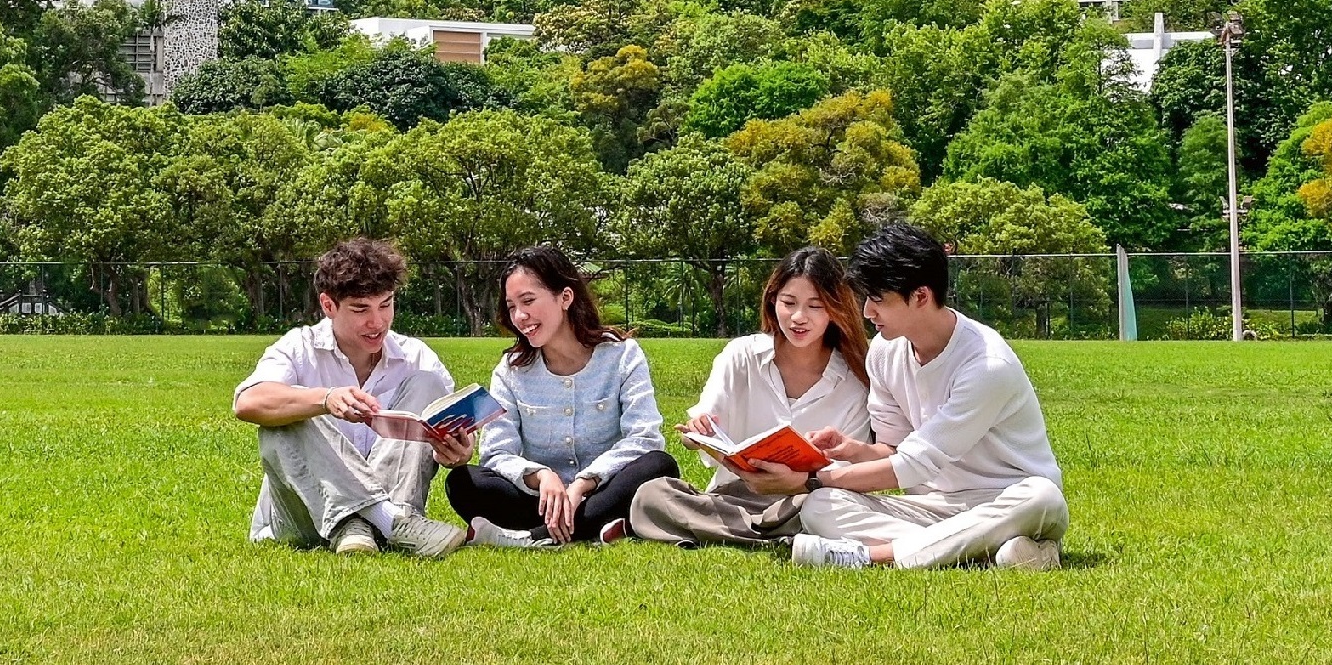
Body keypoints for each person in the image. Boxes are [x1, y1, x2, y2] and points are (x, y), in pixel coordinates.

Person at [765, 222, 1069, 571]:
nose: (867, 312)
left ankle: (872, 556)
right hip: (933, 508)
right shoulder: (883, 352)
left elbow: (911, 466)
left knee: (1039, 496)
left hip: (1006, 501)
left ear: (921, 296)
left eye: (878, 299)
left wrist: (808, 479)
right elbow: (893, 450)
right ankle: (985, 551)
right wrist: (853, 450)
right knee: (821, 505)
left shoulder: (987, 365)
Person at [232, 237, 474, 558]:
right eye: (361, 309)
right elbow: (247, 403)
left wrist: (457, 452)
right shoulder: (299, 347)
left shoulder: (416, 356)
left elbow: (451, 441)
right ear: (328, 305)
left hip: (397, 498)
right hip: (307, 518)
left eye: (385, 304)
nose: (377, 322)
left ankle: (378, 524)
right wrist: (325, 398)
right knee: (287, 411)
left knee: (427, 384)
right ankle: (385, 522)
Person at [626, 247, 874, 549]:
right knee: (651, 495)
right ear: (773, 301)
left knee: (825, 509)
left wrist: (797, 481)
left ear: (835, 310)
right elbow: (699, 433)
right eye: (789, 302)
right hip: (735, 494)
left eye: (815, 306)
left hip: (806, 497)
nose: (799, 317)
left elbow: (847, 473)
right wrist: (697, 431)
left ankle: (736, 532)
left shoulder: (854, 380)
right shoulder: (742, 355)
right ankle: (775, 536)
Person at [446, 245, 681, 546]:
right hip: (539, 501)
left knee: (660, 465)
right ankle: (601, 527)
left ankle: (533, 537)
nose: (520, 316)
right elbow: (496, 453)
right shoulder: (510, 371)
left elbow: (644, 438)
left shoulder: (622, 356)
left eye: (528, 301)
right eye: (511, 306)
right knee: (464, 482)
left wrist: (585, 482)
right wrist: (542, 476)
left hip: (605, 489)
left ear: (565, 297)